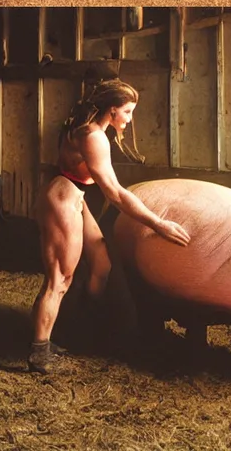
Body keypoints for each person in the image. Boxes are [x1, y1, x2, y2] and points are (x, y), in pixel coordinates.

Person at [29, 79, 187, 373]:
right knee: (59, 280)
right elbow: (114, 193)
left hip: (73, 193)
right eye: (127, 111)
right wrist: (158, 222)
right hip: (62, 198)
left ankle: (82, 325)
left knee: (102, 263)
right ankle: (39, 351)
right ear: (112, 110)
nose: (130, 118)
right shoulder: (94, 137)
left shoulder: (88, 127)